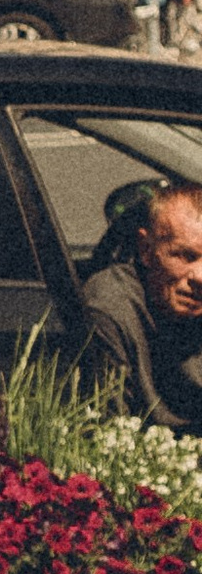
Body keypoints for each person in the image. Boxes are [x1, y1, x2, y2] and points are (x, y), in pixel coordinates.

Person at [80, 179, 202, 433]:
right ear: (146, 250)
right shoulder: (111, 309)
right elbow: (107, 434)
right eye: (184, 256)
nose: (199, 277)